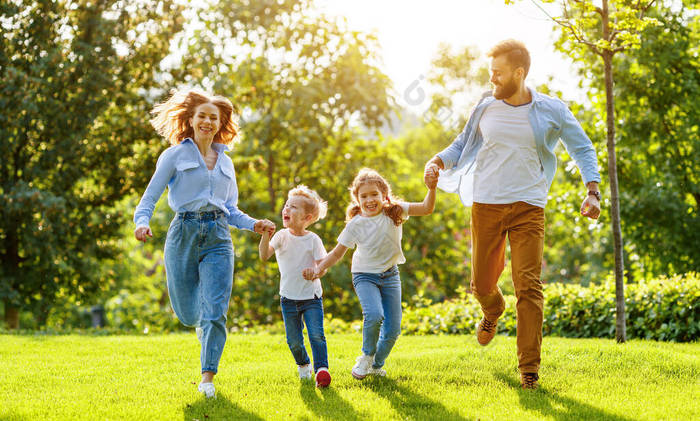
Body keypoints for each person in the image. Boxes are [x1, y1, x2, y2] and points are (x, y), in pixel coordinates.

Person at [424, 39, 602, 389]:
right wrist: (438, 160)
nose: (492, 81)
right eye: (490, 74)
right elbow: (462, 143)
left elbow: (582, 147)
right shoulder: (485, 106)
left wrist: (592, 191)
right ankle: (492, 310)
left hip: (528, 207)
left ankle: (529, 370)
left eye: (498, 74)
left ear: (519, 73)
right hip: (487, 204)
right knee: (482, 284)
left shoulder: (551, 109)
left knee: (529, 285)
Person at [133, 89, 275, 398]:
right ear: (192, 120)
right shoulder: (174, 156)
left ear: (220, 123)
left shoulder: (226, 162)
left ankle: (207, 378)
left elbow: (232, 209)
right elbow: (150, 197)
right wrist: (141, 223)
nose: (208, 121)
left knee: (215, 310)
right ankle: (201, 326)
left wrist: (255, 225)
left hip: (219, 236)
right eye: (203, 116)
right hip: (183, 232)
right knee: (187, 313)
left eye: (214, 117)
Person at [303, 168, 437, 379]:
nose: (370, 200)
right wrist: (319, 269)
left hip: (390, 275)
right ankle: (366, 357)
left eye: (374, 194)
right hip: (364, 275)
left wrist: (431, 188)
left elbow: (427, 208)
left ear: (384, 195)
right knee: (374, 315)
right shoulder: (356, 224)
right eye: (363, 196)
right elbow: (337, 253)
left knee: (393, 331)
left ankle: (376, 365)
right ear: (357, 199)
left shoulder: (395, 211)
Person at [259, 186, 332, 388]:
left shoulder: (313, 240)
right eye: (286, 206)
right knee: (293, 341)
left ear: (307, 218)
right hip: (288, 299)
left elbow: (323, 265)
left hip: (311, 297)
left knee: (316, 334)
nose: (286, 210)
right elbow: (265, 255)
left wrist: (315, 272)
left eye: (293, 207)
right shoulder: (282, 236)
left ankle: (322, 370)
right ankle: (303, 365)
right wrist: (265, 235)